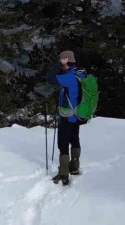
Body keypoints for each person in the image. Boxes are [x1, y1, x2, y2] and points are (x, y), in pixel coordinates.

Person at [48, 50, 85, 185]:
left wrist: (57, 67)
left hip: (67, 115)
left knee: (63, 143)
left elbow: (51, 78)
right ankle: (74, 167)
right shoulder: (80, 73)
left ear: (65, 60)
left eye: (61, 60)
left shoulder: (68, 78)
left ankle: (63, 173)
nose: (60, 62)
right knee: (74, 139)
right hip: (77, 115)